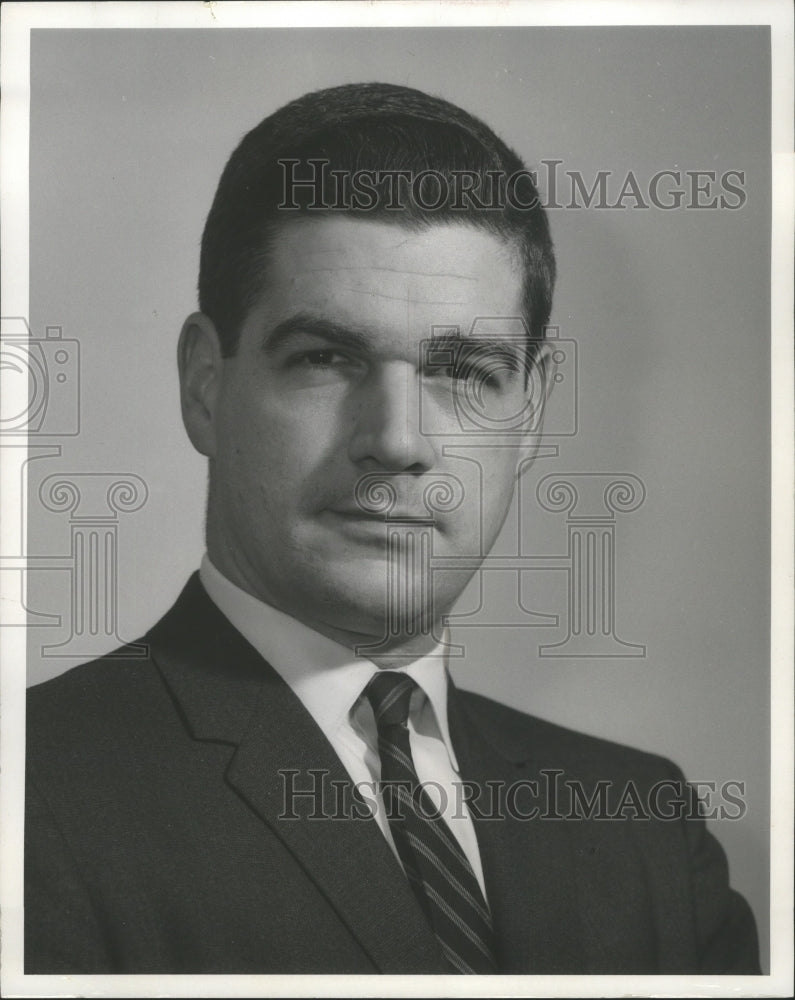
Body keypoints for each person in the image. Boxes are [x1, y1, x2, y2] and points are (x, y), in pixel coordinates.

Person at [25, 82, 760, 975]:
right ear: (204, 385)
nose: (398, 442)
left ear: (529, 415)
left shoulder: (644, 831)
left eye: (463, 372)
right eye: (326, 358)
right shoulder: (29, 801)